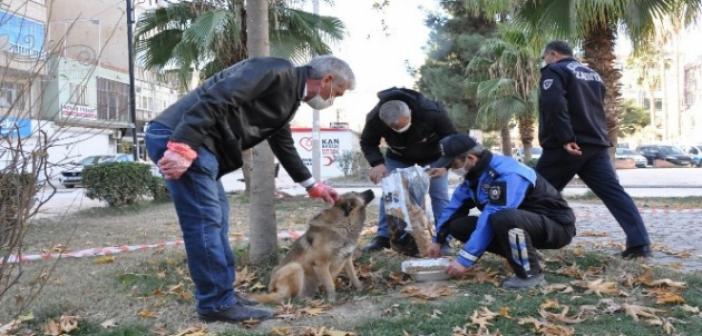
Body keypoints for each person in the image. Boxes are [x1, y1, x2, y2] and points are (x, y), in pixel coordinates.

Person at [144, 55, 355, 323]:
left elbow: (283, 144)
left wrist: (312, 186)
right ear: (326, 79)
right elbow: (219, 96)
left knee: (216, 222)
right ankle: (215, 303)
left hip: (198, 142)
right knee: (205, 224)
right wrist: (182, 146)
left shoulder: (288, 97)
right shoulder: (276, 69)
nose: (333, 99)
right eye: (336, 92)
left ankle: (223, 296)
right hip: (181, 135)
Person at [535, 40, 651, 258]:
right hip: (596, 145)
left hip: (566, 146)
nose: (545, 61)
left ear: (552, 54)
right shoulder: (593, 75)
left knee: (533, 192)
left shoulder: (555, 70)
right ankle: (640, 244)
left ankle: (520, 239)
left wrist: (565, 137)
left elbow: (554, 105)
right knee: (615, 194)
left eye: (545, 57)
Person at [427, 134, 576, 289]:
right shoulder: (475, 176)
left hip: (556, 227)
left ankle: (530, 276)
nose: (451, 169)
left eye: (453, 164)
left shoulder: (506, 173)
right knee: (458, 225)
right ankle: (527, 255)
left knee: (502, 217)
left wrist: (464, 261)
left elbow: (492, 214)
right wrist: (438, 240)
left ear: (470, 158)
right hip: (525, 224)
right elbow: (454, 208)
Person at [359, 87, 457, 252]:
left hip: (433, 158)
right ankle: (383, 237)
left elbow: (451, 138)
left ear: (410, 112)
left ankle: (443, 238)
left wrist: (444, 164)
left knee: (439, 194)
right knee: (390, 194)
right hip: (398, 157)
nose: (400, 130)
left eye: (402, 126)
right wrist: (377, 163)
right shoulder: (374, 118)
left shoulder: (431, 111)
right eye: (395, 128)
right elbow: (368, 142)